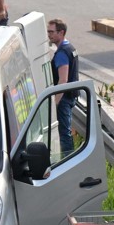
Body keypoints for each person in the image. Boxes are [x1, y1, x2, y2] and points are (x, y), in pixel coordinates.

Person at [48, 18, 79, 154]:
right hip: (72, 95)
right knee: (66, 130)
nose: (49, 35)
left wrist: (55, 102)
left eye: (51, 32)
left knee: (64, 132)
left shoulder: (61, 53)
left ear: (61, 32)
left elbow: (63, 80)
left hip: (64, 98)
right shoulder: (70, 47)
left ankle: (68, 160)